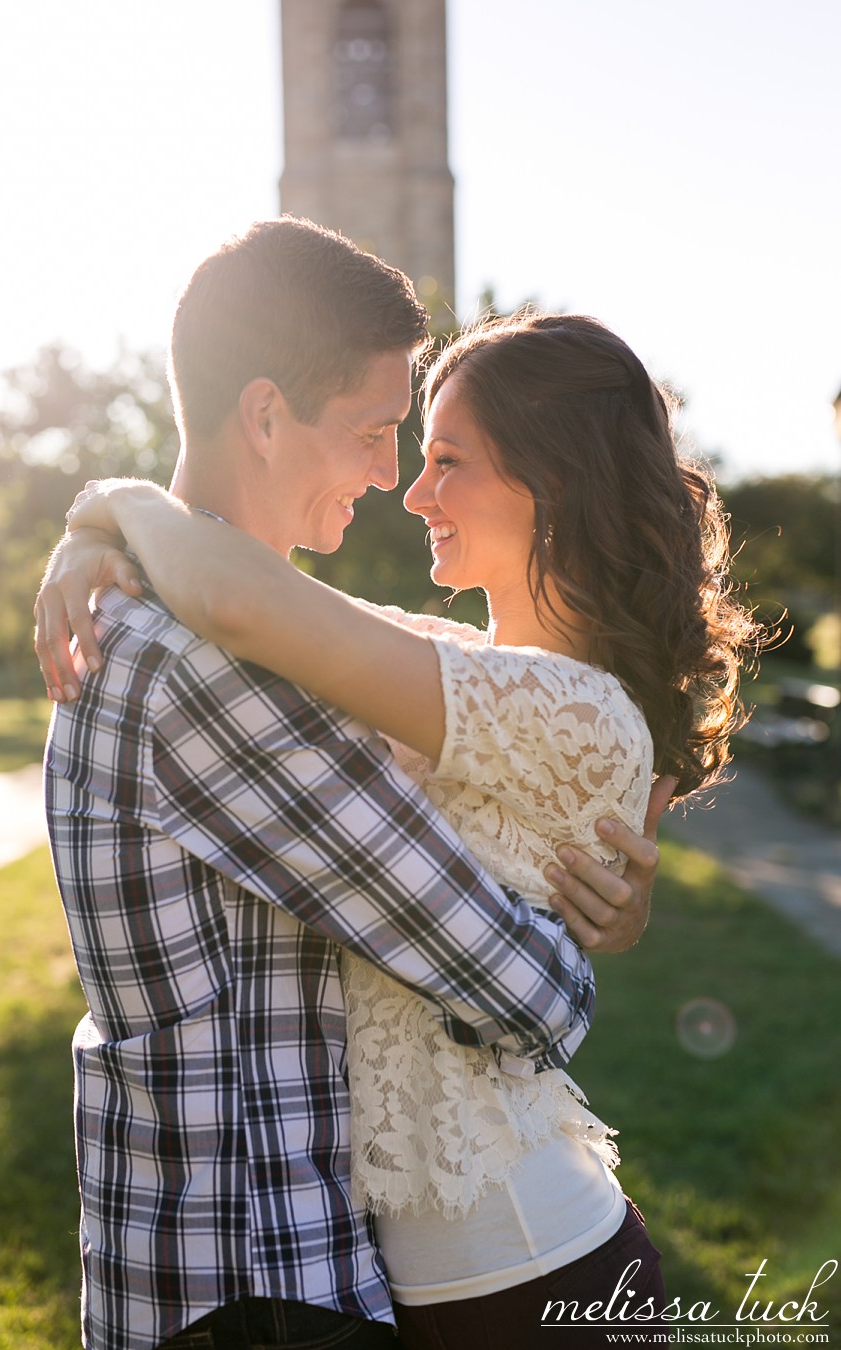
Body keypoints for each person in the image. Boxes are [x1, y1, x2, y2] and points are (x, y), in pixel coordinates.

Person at [35, 220, 666, 1350]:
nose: (393, 480)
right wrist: (576, 940)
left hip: (247, 1265)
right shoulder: (205, 673)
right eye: (380, 433)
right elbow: (527, 986)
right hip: (255, 1280)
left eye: (426, 450)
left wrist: (108, 508)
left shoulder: (195, 629)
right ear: (267, 414)